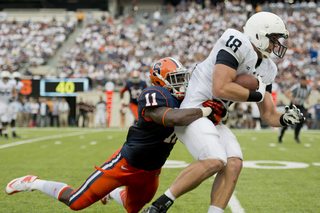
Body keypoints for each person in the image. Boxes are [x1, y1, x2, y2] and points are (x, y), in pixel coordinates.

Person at [5, 57, 221, 213]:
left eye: (182, 77)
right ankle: (33, 182)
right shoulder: (153, 94)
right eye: (175, 78)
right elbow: (170, 118)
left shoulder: (185, 101)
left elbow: (202, 118)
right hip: (125, 165)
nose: (181, 83)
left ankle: (113, 194)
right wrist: (205, 110)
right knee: (76, 202)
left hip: (151, 171)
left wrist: (218, 112)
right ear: (159, 81)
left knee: (132, 208)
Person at [142, 12, 305, 213]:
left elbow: (268, 113)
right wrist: (258, 93)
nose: (276, 44)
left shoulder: (268, 68)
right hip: (195, 110)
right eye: (273, 39)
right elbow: (221, 88)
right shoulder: (236, 41)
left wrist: (284, 118)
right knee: (215, 160)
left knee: (234, 162)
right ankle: (159, 206)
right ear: (258, 35)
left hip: (214, 118)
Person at [278, 75, 311, 143]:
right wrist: (293, 99)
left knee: (303, 119)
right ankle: (280, 136)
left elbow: (308, 94)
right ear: (300, 81)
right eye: (302, 80)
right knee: (287, 121)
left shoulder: (308, 88)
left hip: (301, 106)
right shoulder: (296, 86)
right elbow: (286, 93)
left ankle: (296, 136)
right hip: (293, 105)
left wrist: (307, 99)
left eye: (304, 80)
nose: (303, 82)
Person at [0, 71, 17, 139]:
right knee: (3, 118)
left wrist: (13, 97)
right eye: (4, 77)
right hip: (1, 102)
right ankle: (5, 133)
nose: (5, 79)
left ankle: (5, 132)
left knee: (8, 119)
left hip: (8, 103)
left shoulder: (11, 84)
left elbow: (15, 92)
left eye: (7, 77)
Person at [8, 72, 23, 137]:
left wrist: (21, 101)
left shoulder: (20, 84)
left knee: (13, 118)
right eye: (15, 78)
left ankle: (13, 132)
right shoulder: (9, 84)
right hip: (7, 102)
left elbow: (18, 93)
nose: (16, 80)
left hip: (14, 102)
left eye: (18, 78)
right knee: (5, 118)